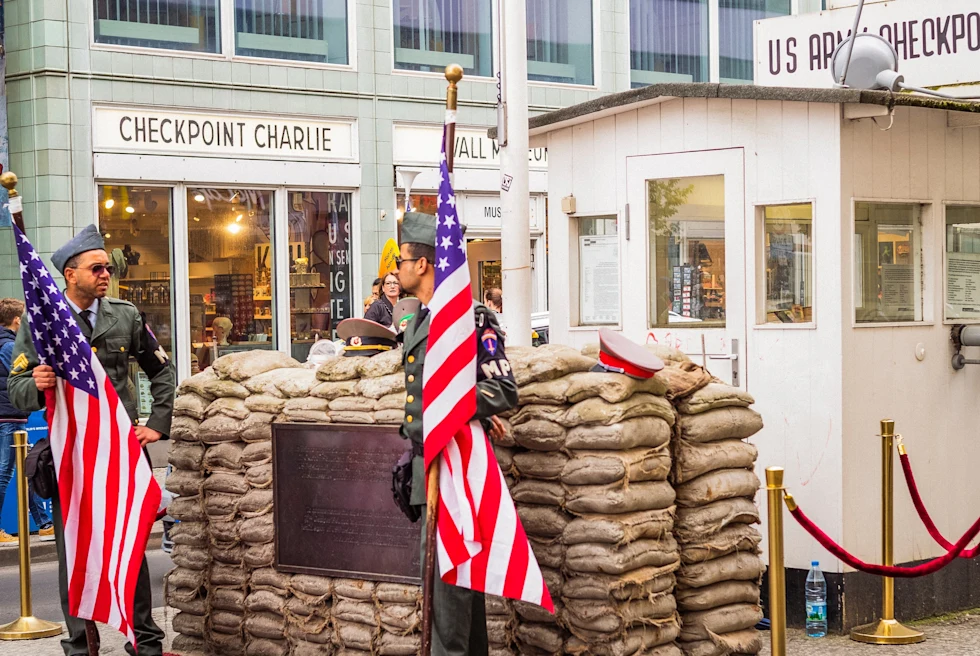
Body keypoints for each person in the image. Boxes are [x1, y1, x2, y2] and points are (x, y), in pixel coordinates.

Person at [8, 223, 175, 656]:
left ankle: (146, 640)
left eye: (108, 268)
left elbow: (162, 371)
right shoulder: (42, 321)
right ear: (70, 274)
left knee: (132, 542)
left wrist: (157, 423)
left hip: (120, 451)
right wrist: (37, 381)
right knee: (74, 551)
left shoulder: (125, 315)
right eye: (96, 267)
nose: (106, 274)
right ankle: (82, 643)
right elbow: (17, 387)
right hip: (72, 455)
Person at [397, 211, 518, 656]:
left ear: (424, 264)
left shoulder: (471, 317)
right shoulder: (425, 319)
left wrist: (455, 409)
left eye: (402, 260)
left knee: (450, 599)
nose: (398, 269)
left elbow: (502, 388)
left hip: (455, 474)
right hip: (427, 465)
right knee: (453, 598)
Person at [0, 298, 54, 545]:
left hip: (11, 417)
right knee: (6, 473)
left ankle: (43, 523)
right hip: (9, 417)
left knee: (26, 471)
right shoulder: (9, 347)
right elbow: (23, 375)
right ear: (17, 320)